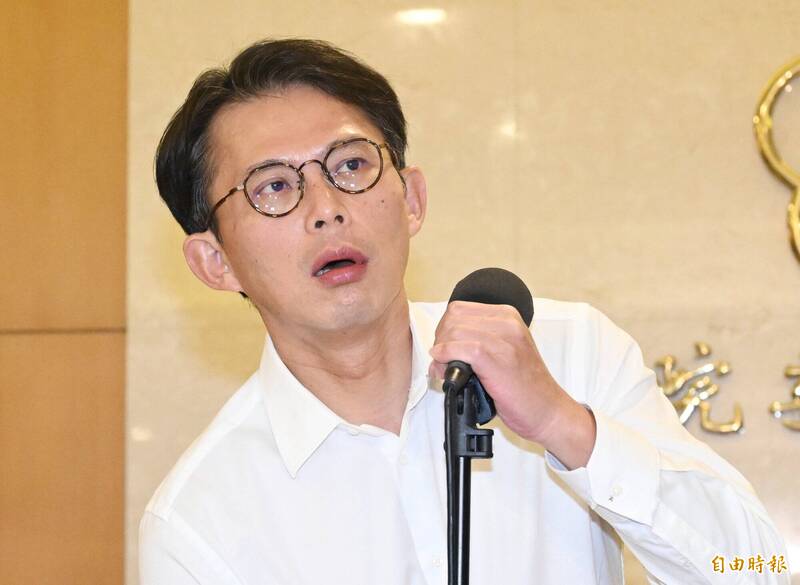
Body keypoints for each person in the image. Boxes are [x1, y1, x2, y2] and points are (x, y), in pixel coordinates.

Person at [140, 38, 789, 584]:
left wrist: (563, 424)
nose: (327, 207)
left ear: (412, 199)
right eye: (275, 186)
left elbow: (760, 568)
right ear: (214, 261)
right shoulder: (199, 521)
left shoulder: (569, 352)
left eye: (352, 164)